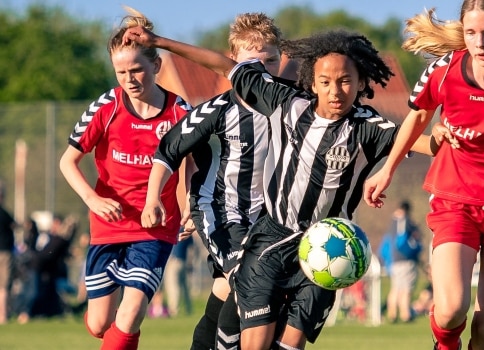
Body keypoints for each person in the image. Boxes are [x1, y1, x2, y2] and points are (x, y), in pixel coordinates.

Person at [123, 25, 435, 349]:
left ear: (360, 83)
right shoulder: (289, 104)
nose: (335, 91)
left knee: (289, 344)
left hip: (325, 245)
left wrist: (445, 137)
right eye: (326, 82)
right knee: (250, 338)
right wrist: (159, 42)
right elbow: (226, 67)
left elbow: (419, 141)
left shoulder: (367, 126)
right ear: (312, 83)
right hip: (270, 238)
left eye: (345, 81)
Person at [364, 2, 484, 349]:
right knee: (450, 311)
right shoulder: (443, 71)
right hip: (455, 197)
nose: (480, 43)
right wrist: (386, 170)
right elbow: (416, 120)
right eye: (471, 33)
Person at [140, 12, 291, 350]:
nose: (262, 70)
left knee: (227, 289)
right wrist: (154, 199)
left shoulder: (290, 104)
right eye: (253, 62)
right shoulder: (218, 110)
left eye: (271, 60)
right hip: (221, 212)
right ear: (233, 61)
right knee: (250, 281)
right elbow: (168, 151)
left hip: (267, 220)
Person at [59, 7, 190, 349]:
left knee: (130, 314)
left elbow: (193, 163)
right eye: (121, 72)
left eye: (137, 70)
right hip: (109, 223)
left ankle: (126, 332)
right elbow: (68, 161)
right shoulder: (106, 106)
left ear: (156, 66)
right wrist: (93, 199)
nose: (129, 79)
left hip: (155, 226)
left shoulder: (180, 112)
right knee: (102, 323)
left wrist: (190, 204)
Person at [382, 200, 422, 323]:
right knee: (406, 288)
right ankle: (406, 314)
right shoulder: (405, 221)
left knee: (395, 288)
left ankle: (392, 313)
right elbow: (409, 239)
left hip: (394, 260)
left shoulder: (392, 222)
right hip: (406, 259)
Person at [0, 180, 15, 325]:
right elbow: (14, 226)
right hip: (4, 254)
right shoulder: (4, 214)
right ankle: (3, 315)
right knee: (4, 286)